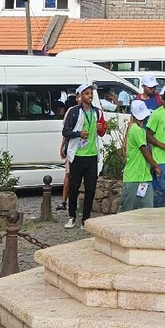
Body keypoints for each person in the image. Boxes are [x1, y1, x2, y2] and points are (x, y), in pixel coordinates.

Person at [61, 83, 107, 230]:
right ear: (80, 96)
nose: (90, 96)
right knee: (74, 188)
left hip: (92, 155)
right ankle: (72, 215)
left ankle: (86, 218)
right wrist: (78, 134)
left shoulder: (97, 112)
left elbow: (102, 132)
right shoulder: (74, 112)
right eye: (87, 93)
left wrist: (100, 129)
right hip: (77, 155)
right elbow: (65, 132)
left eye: (91, 93)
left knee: (91, 188)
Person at [120, 100, 160, 212]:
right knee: (127, 210)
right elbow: (144, 151)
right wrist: (155, 166)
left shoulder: (139, 130)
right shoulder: (136, 130)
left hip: (144, 177)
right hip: (133, 177)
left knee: (146, 210)